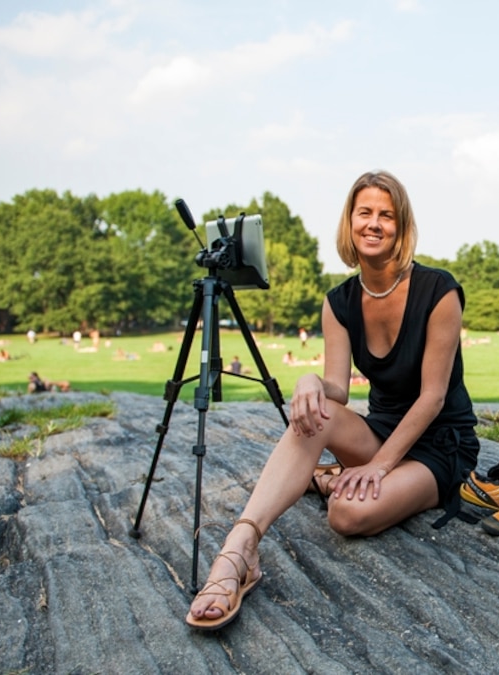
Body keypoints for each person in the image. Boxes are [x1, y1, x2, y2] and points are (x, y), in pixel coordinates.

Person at [187, 170, 480, 630]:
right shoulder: (338, 302)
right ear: (350, 221)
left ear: (401, 228)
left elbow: (432, 397)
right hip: (379, 432)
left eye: (387, 215)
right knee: (314, 414)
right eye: (365, 212)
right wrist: (310, 380)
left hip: (438, 445)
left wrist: (377, 467)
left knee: (346, 514)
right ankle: (238, 552)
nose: (374, 223)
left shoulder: (438, 291)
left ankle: (328, 481)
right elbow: (338, 390)